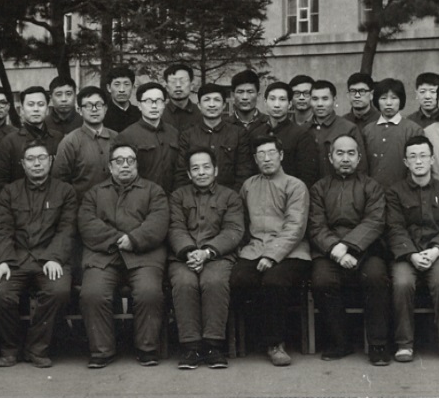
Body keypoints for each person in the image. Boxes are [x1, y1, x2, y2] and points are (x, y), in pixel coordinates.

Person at [0, 141, 78, 368]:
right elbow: (2, 229)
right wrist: (3, 261)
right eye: (31, 159)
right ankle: (11, 347)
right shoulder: (10, 192)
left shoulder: (65, 191)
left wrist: (54, 257)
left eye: (41, 158)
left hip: (50, 258)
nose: (37, 163)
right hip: (15, 259)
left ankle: (37, 348)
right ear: (23, 164)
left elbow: (67, 229)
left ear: (51, 161)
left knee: (58, 291)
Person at [78, 144, 170, 368]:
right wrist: (119, 239)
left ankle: (147, 348)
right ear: (110, 167)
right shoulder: (94, 193)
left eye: (130, 160)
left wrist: (134, 239)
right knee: (92, 293)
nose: (125, 165)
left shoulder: (154, 191)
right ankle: (102, 350)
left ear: (137, 164)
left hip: (143, 256)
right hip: (104, 256)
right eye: (119, 161)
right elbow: (87, 224)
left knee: (149, 292)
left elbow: (158, 223)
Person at [308, 135, 390, 366]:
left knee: (376, 277)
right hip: (329, 250)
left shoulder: (371, 186)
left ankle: (378, 344)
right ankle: (339, 342)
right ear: (330, 157)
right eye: (340, 153)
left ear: (359, 158)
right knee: (322, 281)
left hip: (365, 249)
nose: (345, 159)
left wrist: (348, 247)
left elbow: (375, 221)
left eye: (351, 153)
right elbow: (315, 225)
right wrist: (335, 248)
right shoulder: (319, 188)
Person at [230, 136, 310, 367]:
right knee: (238, 279)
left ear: (281, 155)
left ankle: (276, 343)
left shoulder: (295, 186)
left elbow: (295, 227)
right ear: (255, 159)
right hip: (255, 248)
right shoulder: (248, 186)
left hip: (291, 251)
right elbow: (242, 222)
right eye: (261, 154)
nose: (266, 159)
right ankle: (254, 338)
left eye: (271, 153)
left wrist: (271, 255)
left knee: (274, 281)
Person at [385, 135, 439, 365]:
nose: (418, 161)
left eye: (423, 156)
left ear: (432, 159)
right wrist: (411, 254)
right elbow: (394, 227)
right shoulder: (394, 192)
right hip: (406, 255)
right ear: (406, 162)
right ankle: (404, 344)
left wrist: (436, 250)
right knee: (402, 283)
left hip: (437, 253)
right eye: (413, 157)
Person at [168, 146, 244, 369]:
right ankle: (191, 347)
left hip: (218, 256)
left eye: (206, 167)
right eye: (195, 169)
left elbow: (233, 230)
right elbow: (175, 227)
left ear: (215, 170)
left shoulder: (230, 197)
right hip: (184, 256)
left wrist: (207, 252)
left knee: (214, 281)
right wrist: (190, 251)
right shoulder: (177, 196)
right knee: (184, 282)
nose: (201, 172)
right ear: (189, 173)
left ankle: (213, 346)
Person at [175, 83, 253, 192]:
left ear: (224, 105)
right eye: (207, 100)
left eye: (217, 100)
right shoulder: (187, 135)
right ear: (199, 105)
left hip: (230, 197)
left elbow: (244, 173)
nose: (212, 105)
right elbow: (182, 174)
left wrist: (231, 198)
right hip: (195, 198)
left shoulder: (238, 134)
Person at [52, 86, 119, 201]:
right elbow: (59, 182)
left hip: (115, 205)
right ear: (79, 110)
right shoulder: (70, 142)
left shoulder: (117, 138)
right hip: (82, 206)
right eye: (88, 106)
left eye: (98, 105)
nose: (94, 109)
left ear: (105, 108)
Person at [0, 86, 63, 193]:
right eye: (30, 104)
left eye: (41, 104)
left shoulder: (58, 139)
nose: (36, 109)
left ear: (47, 109)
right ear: (22, 110)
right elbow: (0, 181)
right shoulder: (9, 142)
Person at [116, 82, 180, 194]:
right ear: (139, 105)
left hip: (171, 197)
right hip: (140, 198)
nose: (154, 106)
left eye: (159, 101)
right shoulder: (127, 136)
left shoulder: (173, 133)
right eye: (148, 101)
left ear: (164, 104)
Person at [361, 78, 423, 188]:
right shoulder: (367, 130)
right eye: (383, 98)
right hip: (372, 192)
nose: (388, 103)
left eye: (394, 98)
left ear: (401, 100)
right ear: (376, 101)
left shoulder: (413, 130)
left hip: (404, 192)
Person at [261, 82, 318, 187]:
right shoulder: (256, 132)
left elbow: (307, 176)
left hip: (289, 193)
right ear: (265, 102)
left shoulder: (301, 135)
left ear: (290, 104)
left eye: (282, 99)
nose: (277, 105)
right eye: (272, 99)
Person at [306, 79, 365, 178]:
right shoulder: (303, 129)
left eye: (325, 99)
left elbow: (361, 167)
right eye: (315, 99)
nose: (320, 104)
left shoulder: (348, 128)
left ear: (334, 100)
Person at [225, 69, 269, 137]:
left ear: (258, 95)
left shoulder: (269, 123)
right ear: (233, 95)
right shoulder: (224, 125)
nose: (245, 97)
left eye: (250, 92)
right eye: (240, 92)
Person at [161, 63, 203, 133]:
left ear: (191, 86)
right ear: (167, 87)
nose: (178, 85)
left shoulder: (201, 114)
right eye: (173, 81)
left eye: (182, 81)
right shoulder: (159, 114)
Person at [103, 66, 141, 133]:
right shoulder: (102, 114)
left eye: (126, 84)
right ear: (109, 88)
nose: (122, 90)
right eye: (117, 84)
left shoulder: (140, 114)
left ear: (133, 87)